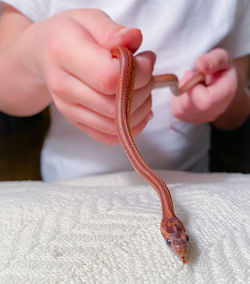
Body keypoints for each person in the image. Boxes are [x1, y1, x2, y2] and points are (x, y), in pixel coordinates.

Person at [0, 0, 249, 182]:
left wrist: (227, 96)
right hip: (71, 183)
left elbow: (236, 114)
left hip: (192, 180)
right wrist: (35, 54)